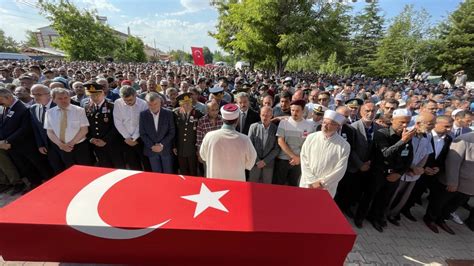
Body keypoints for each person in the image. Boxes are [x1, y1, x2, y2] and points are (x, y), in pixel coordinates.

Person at [368, 109, 415, 232]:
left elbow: (409, 157)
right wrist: (402, 141)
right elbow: (386, 153)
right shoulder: (382, 133)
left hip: (395, 175)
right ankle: (363, 217)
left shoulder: (407, 135)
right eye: (402, 122)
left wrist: (399, 173)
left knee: (385, 198)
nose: (405, 125)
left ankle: (378, 217)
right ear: (393, 120)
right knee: (371, 196)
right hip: (379, 172)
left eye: (407, 122)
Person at [386, 112, 435, 226]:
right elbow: (398, 153)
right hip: (401, 172)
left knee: (403, 197)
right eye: (429, 124)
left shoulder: (428, 135)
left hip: (414, 174)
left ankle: (393, 214)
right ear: (418, 123)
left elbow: (426, 153)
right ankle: (382, 214)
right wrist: (411, 168)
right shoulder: (406, 133)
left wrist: (419, 168)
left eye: (433, 123)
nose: (432, 126)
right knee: (391, 195)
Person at [424, 132, 474, 235]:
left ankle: (441, 220)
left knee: (452, 206)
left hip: (469, 187)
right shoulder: (464, 139)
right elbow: (453, 162)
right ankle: (430, 219)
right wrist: (452, 182)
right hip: (455, 182)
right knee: (439, 202)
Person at [299, 109, 350, 197]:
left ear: (337, 126)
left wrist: (322, 183)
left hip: (327, 188)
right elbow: (304, 159)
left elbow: (340, 170)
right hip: (307, 183)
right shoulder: (311, 137)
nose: (324, 126)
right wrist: (312, 181)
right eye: (323, 122)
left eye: (328, 123)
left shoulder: (344, 145)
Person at [200, 103, 257, 182]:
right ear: (237, 120)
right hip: (236, 184)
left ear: (222, 119)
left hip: (215, 185)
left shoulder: (209, 136)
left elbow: (203, 156)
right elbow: (250, 163)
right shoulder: (245, 140)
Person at [44, 88, 92, 168]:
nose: (63, 100)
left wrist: (71, 144)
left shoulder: (79, 110)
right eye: (60, 98)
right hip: (62, 147)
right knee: (71, 169)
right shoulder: (49, 113)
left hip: (80, 146)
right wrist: (61, 145)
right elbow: (50, 132)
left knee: (86, 168)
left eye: (66, 98)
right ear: (53, 100)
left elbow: (84, 130)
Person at [352, 103, 381, 228]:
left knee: (365, 193)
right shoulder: (353, 127)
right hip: (355, 167)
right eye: (367, 110)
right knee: (351, 190)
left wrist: (370, 162)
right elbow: (350, 149)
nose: (370, 113)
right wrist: (359, 164)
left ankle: (359, 215)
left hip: (370, 167)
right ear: (361, 112)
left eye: (373, 111)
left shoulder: (378, 128)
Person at [82, 82, 124, 168]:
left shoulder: (112, 106)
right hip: (97, 144)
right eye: (92, 95)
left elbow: (116, 125)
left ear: (103, 93)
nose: (95, 97)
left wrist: (105, 140)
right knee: (105, 167)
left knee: (119, 166)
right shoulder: (87, 107)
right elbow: (86, 125)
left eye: (97, 94)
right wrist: (91, 139)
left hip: (112, 143)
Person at [274, 99, 315, 186]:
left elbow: (308, 145)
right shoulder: (284, 122)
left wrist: (299, 158)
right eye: (292, 110)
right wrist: (294, 156)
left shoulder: (309, 126)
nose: (294, 113)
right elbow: (280, 141)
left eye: (297, 111)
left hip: (299, 161)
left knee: (294, 186)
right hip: (283, 160)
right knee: (279, 186)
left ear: (303, 111)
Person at [29, 84, 64, 175]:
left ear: (49, 94)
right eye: (33, 95)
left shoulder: (60, 105)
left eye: (39, 94)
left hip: (64, 144)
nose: (36, 97)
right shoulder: (33, 108)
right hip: (48, 147)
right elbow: (36, 128)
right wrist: (40, 144)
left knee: (70, 167)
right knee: (58, 169)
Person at [113, 85, 150, 171]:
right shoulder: (118, 103)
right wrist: (127, 138)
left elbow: (142, 123)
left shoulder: (143, 104)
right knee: (132, 163)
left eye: (130, 100)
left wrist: (134, 138)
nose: (128, 102)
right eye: (125, 100)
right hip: (125, 139)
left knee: (146, 162)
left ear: (135, 95)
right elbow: (118, 122)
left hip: (140, 138)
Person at [139, 92, 175, 173]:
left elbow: (172, 132)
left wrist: (161, 144)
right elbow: (143, 133)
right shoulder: (143, 115)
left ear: (160, 102)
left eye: (155, 104)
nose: (153, 107)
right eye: (150, 104)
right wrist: (152, 146)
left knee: (168, 173)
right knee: (156, 174)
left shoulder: (168, 113)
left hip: (165, 149)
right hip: (151, 150)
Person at [248, 106, 280, 184]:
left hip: (268, 165)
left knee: (266, 188)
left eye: (267, 115)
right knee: (253, 186)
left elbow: (276, 149)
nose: (264, 118)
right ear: (260, 115)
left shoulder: (276, 129)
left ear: (271, 116)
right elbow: (249, 145)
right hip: (255, 164)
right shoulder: (253, 127)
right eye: (263, 115)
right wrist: (258, 161)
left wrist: (265, 161)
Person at [173, 93, 203, 176]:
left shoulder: (198, 114)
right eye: (184, 104)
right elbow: (174, 131)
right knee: (183, 170)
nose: (187, 105)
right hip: (180, 147)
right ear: (180, 104)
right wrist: (174, 145)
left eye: (188, 103)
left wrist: (199, 148)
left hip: (192, 147)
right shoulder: (176, 114)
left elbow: (201, 131)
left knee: (193, 169)